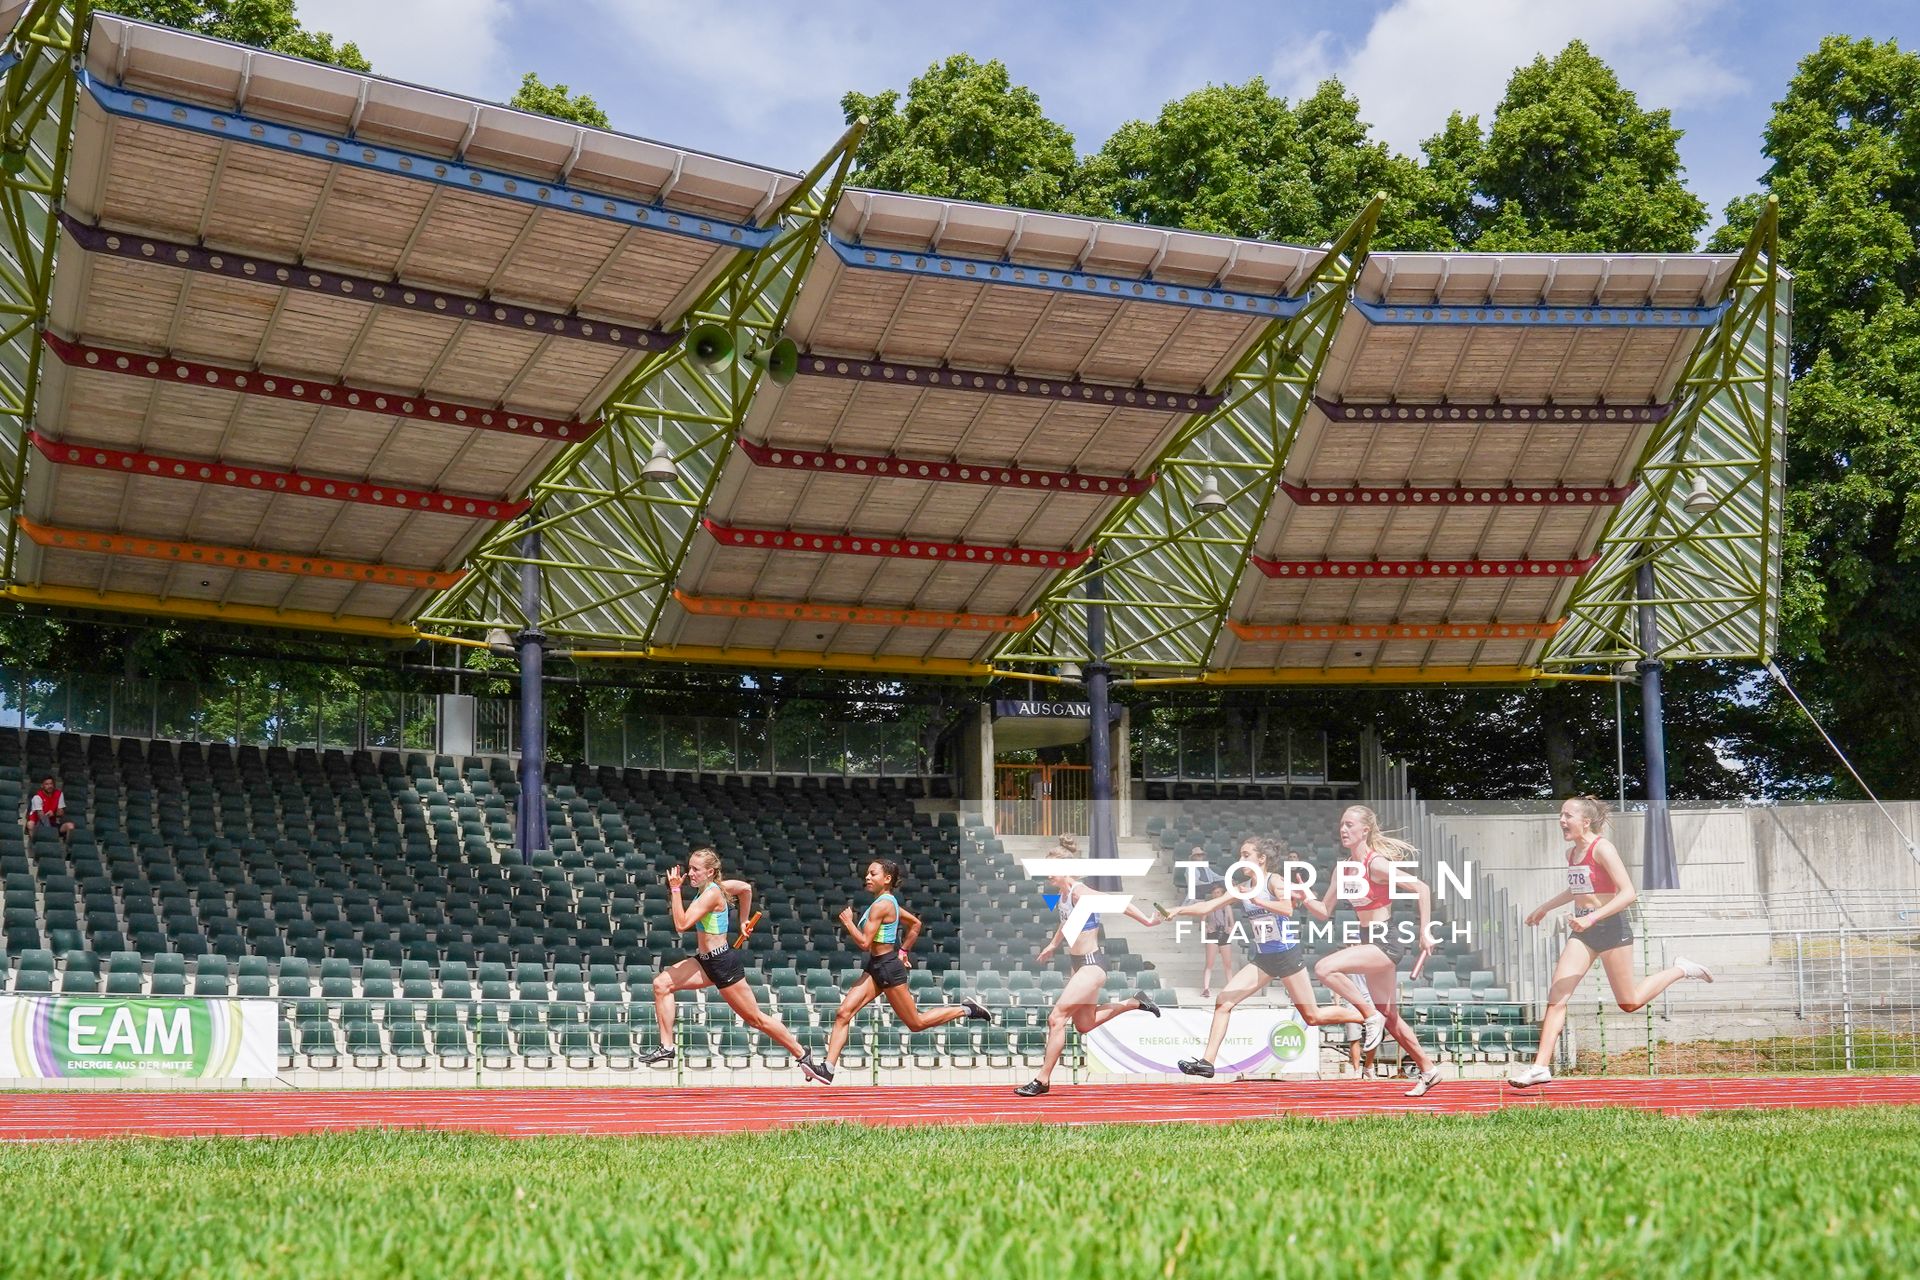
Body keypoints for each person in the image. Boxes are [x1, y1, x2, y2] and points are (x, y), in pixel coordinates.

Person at [1509, 796, 1713, 1089]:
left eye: (1567, 815)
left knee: (1629, 1002)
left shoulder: (1602, 848)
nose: (1561, 820)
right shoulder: (1572, 854)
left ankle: (1681, 969)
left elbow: (1628, 892)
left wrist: (1592, 918)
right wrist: (1546, 906)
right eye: (1561, 815)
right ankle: (1541, 1067)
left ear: (1585, 821)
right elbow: (1577, 889)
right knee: (1557, 997)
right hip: (1583, 932)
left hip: (1611, 927)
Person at [1166, 837, 1364, 1078]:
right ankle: (1208, 1062)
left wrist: (1259, 900)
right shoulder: (1242, 887)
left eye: (1246, 855)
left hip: (1287, 956)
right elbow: (1208, 907)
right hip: (1263, 959)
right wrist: (1178, 910)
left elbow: (1287, 909)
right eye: (1239, 855)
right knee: (1223, 1002)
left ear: (1262, 859)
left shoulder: (1274, 881)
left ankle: (1368, 1015)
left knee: (1313, 1017)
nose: (1240, 860)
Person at [642, 846, 827, 1081]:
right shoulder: (718, 887)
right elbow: (746, 889)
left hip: (723, 964)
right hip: (705, 962)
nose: (691, 873)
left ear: (710, 872)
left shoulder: (711, 894)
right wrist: (743, 921)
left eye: (696, 869)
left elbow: (681, 924)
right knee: (662, 984)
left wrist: (676, 889)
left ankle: (803, 1056)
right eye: (690, 868)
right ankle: (667, 1046)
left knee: (755, 1019)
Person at [1014, 840, 1167, 1098]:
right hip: (1078, 966)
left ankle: (1042, 1079)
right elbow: (1066, 922)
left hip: (1092, 965)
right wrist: (1052, 945)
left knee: (1057, 1018)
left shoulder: (1079, 892)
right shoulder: (1062, 895)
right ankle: (1134, 1002)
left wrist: (1148, 922)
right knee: (1084, 1024)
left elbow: (1117, 902)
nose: (1048, 874)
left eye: (1051, 869)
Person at [1312, 805, 1446, 1097]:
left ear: (1365, 830)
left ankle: (1367, 1013)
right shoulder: (1344, 868)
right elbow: (1323, 910)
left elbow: (1421, 888)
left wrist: (1425, 931)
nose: (1343, 830)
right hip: (1368, 937)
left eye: (1349, 825)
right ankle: (1428, 1069)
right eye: (1341, 825)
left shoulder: (1376, 864)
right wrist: (1301, 896)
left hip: (1384, 939)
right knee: (1391, 1016)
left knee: (1324, 968)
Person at [817, 858, 992, 1082]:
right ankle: (828, 1069)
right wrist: (904, 952)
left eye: (873, 874)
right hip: (877, 966)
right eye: (867, 874)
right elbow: (916, 924)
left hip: (888, 968)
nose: (867, 878)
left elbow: (863, 943)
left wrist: (849, 922)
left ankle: (967, 1009)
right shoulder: (886, 903)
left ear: (887, 879)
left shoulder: (883, 904)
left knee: (916, 1023)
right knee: (843, 1013)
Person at [1189, 848, 1234, 999]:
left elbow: (1231, 922)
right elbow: (1202, 921)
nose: (1216, 895)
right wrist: (1206, 928)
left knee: (1228, 964)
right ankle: (1206, 988)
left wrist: (1229, 929)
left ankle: (1230, 988)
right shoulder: (1208, 905)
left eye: (1219, 893)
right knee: (1209, 963)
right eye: (1215, 893)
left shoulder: (1226, 906)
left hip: (1224, 934)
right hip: (1213, 933)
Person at [26, 775, 74, 846]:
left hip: (52, 823)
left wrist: (53, 814)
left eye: (51, 784)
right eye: (47, 784)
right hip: (38, 824)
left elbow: (61, 812)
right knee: (30, 824)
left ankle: (69, 849)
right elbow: (41, 816)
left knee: (70, 826)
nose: (49, 786)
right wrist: (50, 832)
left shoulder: (59, 794)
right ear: (42, 786)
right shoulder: (37, 797)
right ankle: (35, 846)